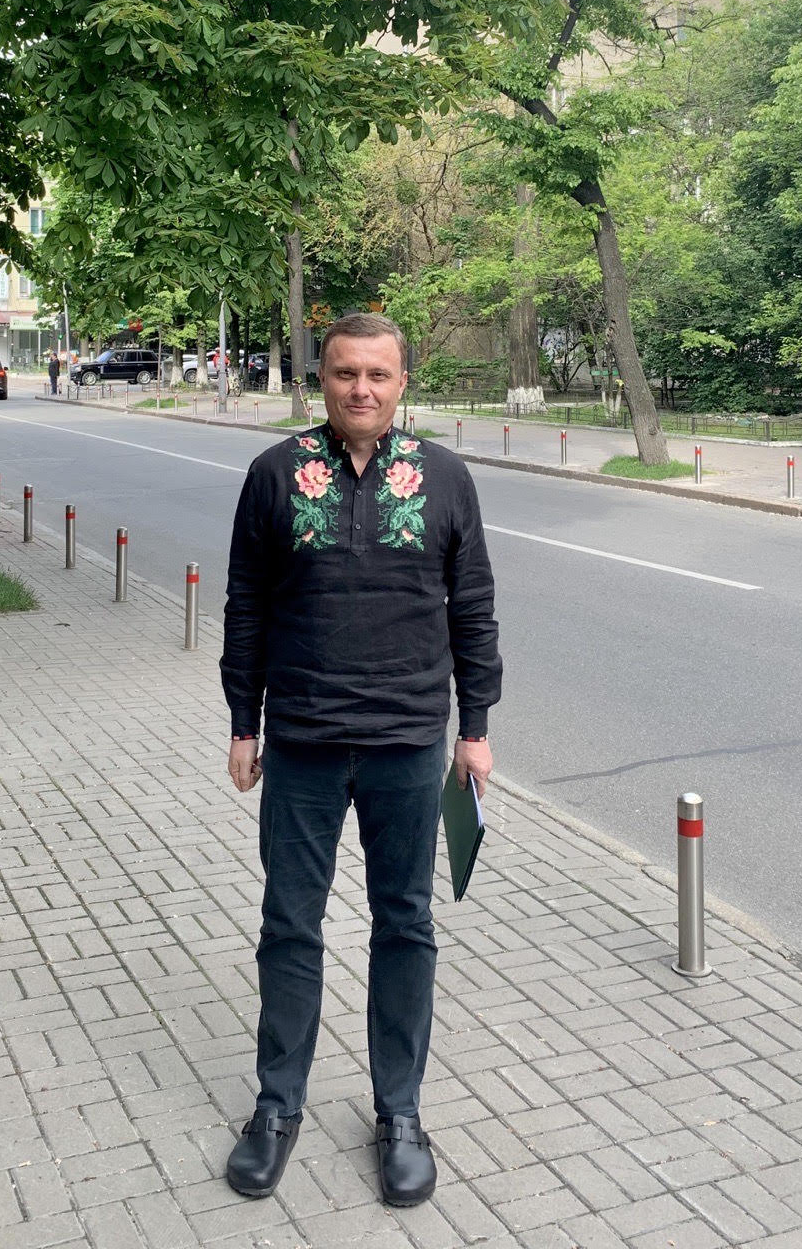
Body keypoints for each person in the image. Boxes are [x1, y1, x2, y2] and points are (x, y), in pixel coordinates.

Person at [220, 312, 501, 1208]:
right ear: (324, 379)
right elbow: (246, 604)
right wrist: (244, 721)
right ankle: (277, 1108)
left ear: (402, 381)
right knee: (289, 925)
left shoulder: (444, 478)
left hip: (407, 743)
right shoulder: (275, 474)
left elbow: (473, 607)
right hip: (302, 740)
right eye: (346, 373)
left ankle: (401, 1113)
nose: (362, 389)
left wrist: (475, 727)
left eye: (379, 374)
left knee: (405, 925)